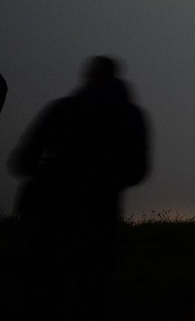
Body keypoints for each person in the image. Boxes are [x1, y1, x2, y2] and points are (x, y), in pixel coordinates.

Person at [9, 55, 150, 318]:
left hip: (52, 213)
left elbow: (23, 161)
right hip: (101, 215)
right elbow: (138, 170)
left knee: (45, 287)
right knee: (93, 290)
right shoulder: (132, 116)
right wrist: (107, 181)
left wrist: (51, 173)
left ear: (88, 77)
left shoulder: (61, 109)